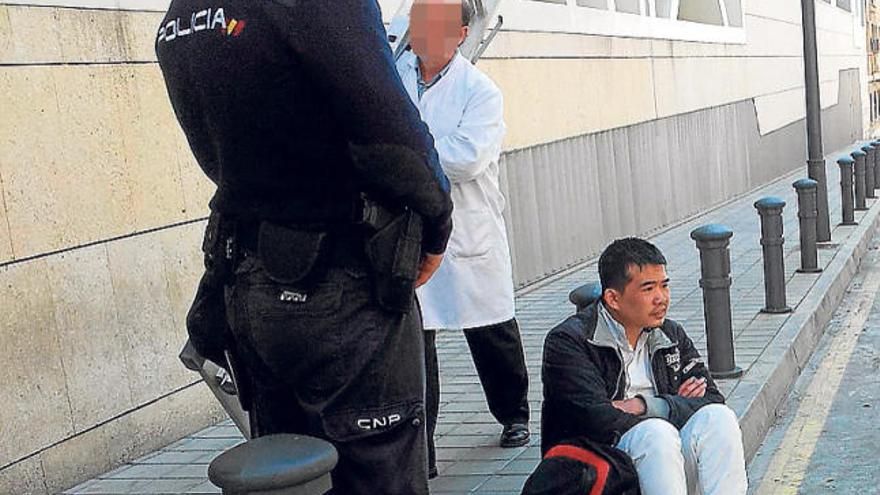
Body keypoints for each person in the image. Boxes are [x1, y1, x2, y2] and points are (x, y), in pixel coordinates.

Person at [155, 0, 454, 493]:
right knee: (377, 474)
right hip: (341, 289)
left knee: (294, 475)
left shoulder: (182, 13)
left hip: (249, 280)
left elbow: (214, 151)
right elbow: (392, 139)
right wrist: (436, 223)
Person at [395, 0, 531, 477]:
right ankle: (422, 448)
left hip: (467, 230)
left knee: (491, 329)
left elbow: (468, 158)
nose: (422, 31)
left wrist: (409, 155)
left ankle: (514, 413)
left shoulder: (481, 92)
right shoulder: (396, 75)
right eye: (417, 20)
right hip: (413, 230)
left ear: (460, 32)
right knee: (416, 342)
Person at [541, 238, 748, 494]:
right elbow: (594, 419)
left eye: (664, 285)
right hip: (603, 465)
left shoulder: (670, 334)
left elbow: (712, 397)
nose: (661, 298)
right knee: (656, 434)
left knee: (718, 418)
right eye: (648, 289)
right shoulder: (570, 342)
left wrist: (645, 405)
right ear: (613, 298)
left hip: (665, 458)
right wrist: (673, 409)